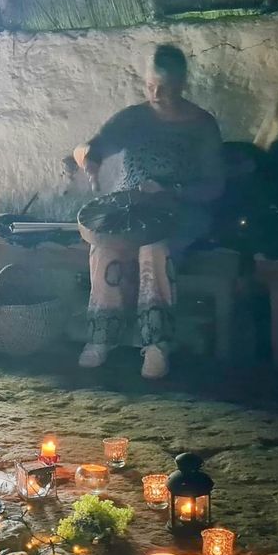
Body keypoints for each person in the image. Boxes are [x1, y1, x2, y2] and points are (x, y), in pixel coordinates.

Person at [72, 44, 224, 378]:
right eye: (150, 86)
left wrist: (171, 190)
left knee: (153, 249)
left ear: (182, 85)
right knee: (104, 248)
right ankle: (102, 336)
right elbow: (91, 146)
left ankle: (156, 343)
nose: (156, 94)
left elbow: (215, 186)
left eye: (165, 89)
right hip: (132, 209)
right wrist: (89, 160)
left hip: (180, 213)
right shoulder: (133, 118)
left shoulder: (201, 125)